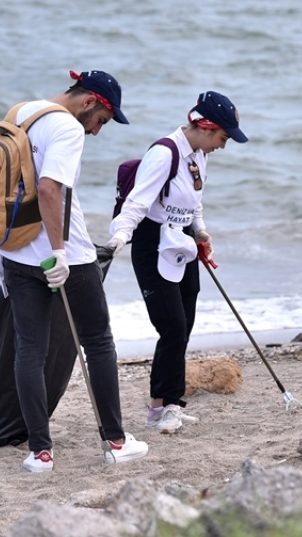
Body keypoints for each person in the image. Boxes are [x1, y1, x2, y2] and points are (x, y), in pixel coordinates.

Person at [0, 70, 148, 473]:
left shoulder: (21, 113)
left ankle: (40, 453)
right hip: (68, 256)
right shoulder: (67, 127)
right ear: (89, 102)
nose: (97, 130)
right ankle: (115, 441)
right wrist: (59, 253)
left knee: (30, 348)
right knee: (98, 342)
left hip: (16, 251)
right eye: (101, 120)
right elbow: (49, 189)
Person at [105, 91, 248, 434]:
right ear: (207, 127)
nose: (224, 145)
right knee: (172, 326)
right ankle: (160, 408)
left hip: (182, 240)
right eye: (224, 137)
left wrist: (200, 231)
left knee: (185, 322)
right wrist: (119, 237)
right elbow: (137, 203)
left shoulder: (199, 154)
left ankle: (169, 404)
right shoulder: (164, 153)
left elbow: (194, 201)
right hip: (152, 242)